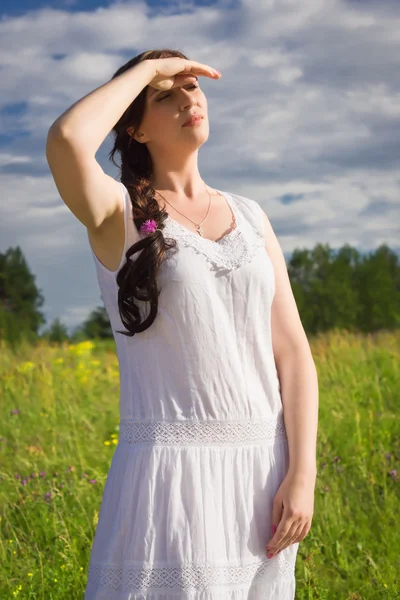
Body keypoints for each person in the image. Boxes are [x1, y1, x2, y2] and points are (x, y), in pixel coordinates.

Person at [46, 48, 319, 599]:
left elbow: (292, 351)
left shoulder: (250, 215)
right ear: (136, 129)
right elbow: (69, 141)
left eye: (192, 87)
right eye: (165, 97)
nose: (188, 98)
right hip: (170, 478)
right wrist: (146, 70)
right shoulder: (120, 216)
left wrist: (302, 473)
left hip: (263, 471)